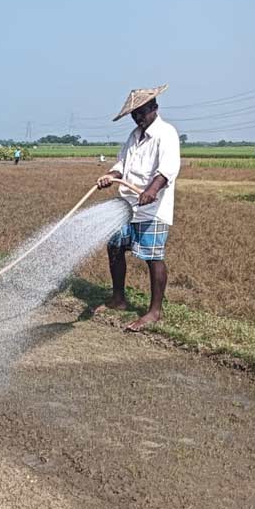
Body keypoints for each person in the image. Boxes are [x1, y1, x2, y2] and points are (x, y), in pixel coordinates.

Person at [96, 84, 180, 332]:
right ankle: (119, 298)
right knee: (114, 245)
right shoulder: (134, 136)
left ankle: (154, 311)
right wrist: (109, 175)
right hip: (127, 205)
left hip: (152, 209)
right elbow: (121, 165)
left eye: (141, 112)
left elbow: (168, 169)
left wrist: (151, 191)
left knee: (153, 257)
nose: (138, 118)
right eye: (134, 115)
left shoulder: (166, 133)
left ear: (154, 107)